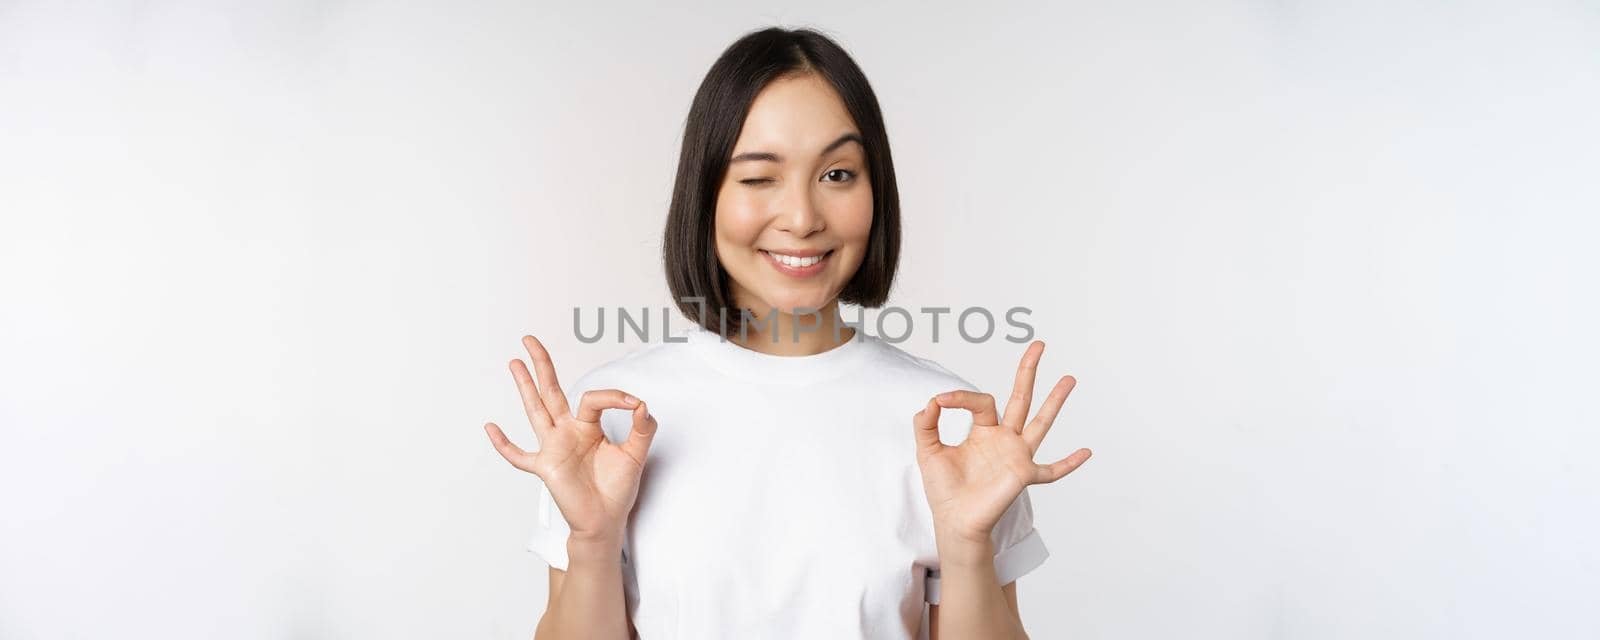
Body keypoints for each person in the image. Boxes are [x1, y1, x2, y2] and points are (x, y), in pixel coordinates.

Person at [483, 26, 1093, 640]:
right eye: (757, 178)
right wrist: (591, 541)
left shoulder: (955, 430)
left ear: (875, 189)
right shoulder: (609, 420)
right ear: (706, 196)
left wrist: (966, 547)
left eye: (837, 174)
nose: (802, 218)